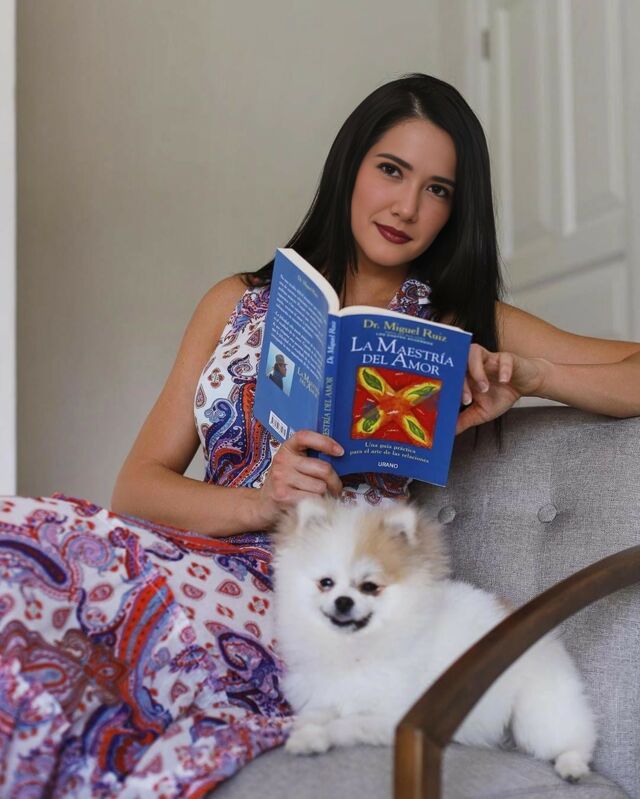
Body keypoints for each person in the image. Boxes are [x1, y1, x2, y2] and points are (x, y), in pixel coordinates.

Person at [1, 73, 639, 799]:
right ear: (350, 169)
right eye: (391, 170)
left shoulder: (460, 324)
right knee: (23, 541)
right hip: (185, 553)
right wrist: (262, 501)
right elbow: (136, 487)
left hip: (304, 601)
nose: (407, 206)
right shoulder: (234, 302)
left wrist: (535, 373)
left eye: (437, 190)